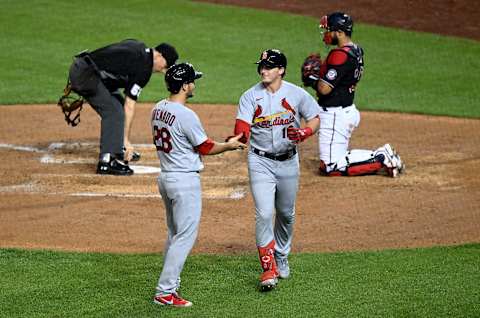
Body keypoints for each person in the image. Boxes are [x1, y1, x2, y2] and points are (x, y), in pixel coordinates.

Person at [152, 62, 246, 307]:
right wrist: (229, 145)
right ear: (184, 86)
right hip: (184, 181)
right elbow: (205, 147)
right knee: (184, 236)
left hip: (166, 178)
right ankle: (165, 292)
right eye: (192, 81)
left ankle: (169, 284)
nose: (194, 84)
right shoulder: (186, 114)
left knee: (174, 234)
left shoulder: (157, 108)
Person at [231, 49, 320, 291]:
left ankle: (281, 254)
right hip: (260, 162)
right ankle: (268, 268)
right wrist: (241, 134)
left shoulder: (296, 94)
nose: (263, 70)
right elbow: (242, 123)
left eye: (269, 66)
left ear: (281, 69)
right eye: (261, 66)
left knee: (286, 213)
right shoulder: (250, 96)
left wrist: (304, 132)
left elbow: (314, 118)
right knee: (263, 213)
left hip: (289, 161)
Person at [301, 12, 405, 177]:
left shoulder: (339, 55)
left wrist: (312, 78)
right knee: (334, 160)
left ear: (340, 32)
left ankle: (381, 157)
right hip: (345, 110)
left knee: (331, 167)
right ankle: (380, 155)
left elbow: (324, 89)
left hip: (336, 115)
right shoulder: (356, 50)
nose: (327, 34)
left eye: (330, 30)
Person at [68, 39, 179, 175]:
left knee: (118, 105)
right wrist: (126, 140)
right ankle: (106, 161)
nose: (163, 71)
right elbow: (130, 104)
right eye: (165, 66)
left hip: (87, 70)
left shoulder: (139, 47)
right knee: (114, 112)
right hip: (86, 75)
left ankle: (118, 148)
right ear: (159, 56)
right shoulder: (144, 67)